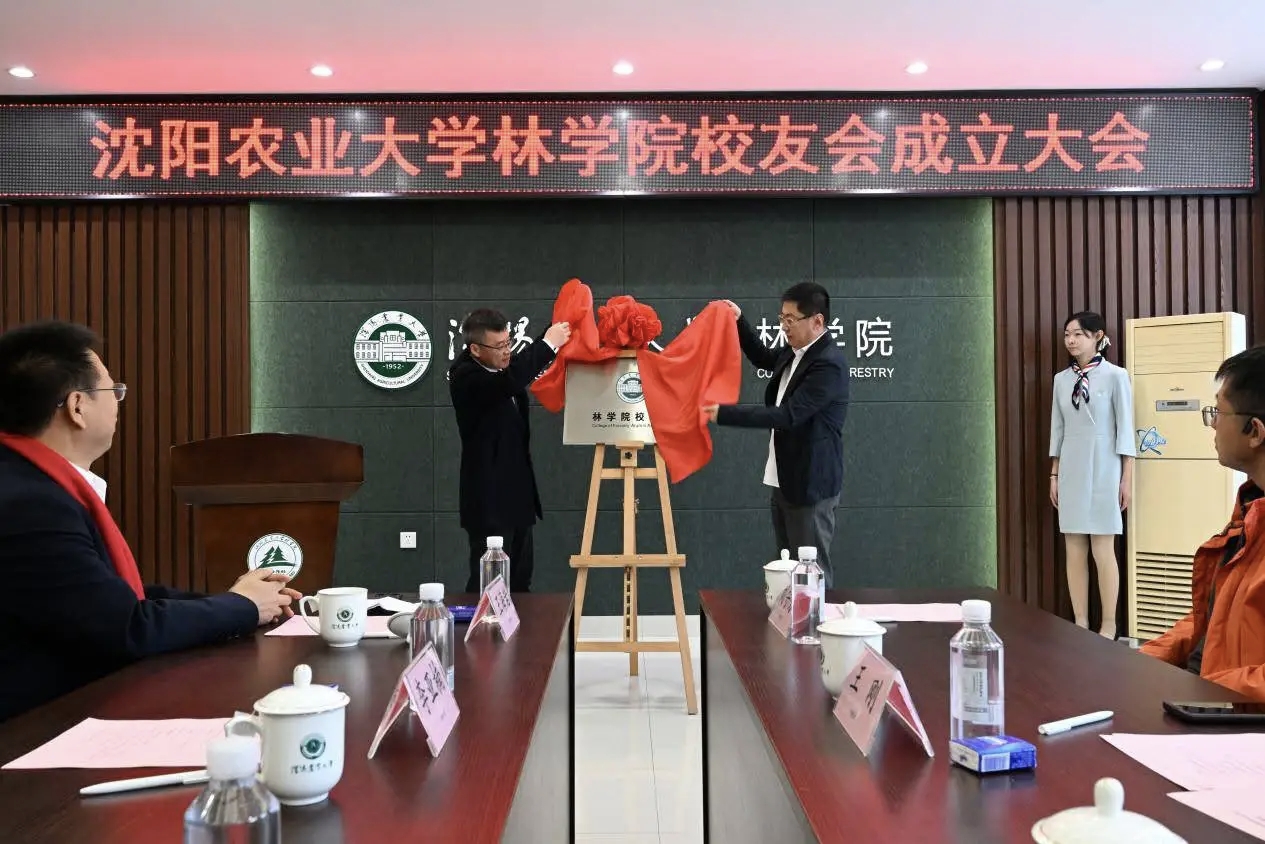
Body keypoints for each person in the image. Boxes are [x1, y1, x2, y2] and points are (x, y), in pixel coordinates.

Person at [0, 321, 300, 722]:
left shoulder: (30, 483)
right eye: (113, 390)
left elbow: (120, 597)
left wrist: (241, 601)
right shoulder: (31, 503)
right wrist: (241, 606)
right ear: (77, 407)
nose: (118, 401)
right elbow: (126, 627)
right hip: (33, 733)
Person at [1139, 345, 1265, 700]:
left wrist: (1205, 692)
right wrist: (1135, 664)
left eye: (1218, 412)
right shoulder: (1250, 512)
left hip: (1231, 720)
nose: (1211, 424)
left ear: (1255, 431)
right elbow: (1211, 623)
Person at [703, 283, 849, 586]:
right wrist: (739, 321)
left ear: (817, 321)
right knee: (787, 569)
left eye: (791, 319)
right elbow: (763, 358)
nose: (784, 326)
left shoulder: (828, 364)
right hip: (785, 478)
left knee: (811, 573)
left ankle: (818, 618)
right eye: (782, 318)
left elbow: (788, 416)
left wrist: (724, 413)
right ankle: (791, 619)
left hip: (810, 484)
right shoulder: (795, 352)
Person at [449, 309, 571, 594]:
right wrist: (548, 344)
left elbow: (517, 366)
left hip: (518, 497)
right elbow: (509, 382)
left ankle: (520, 625)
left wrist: (556, 328)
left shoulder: (501, 367)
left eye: (508, 342)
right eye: (499, 346)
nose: (507, 351)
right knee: (490, 584)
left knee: (520, 582)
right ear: (475, 349)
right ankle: (479, 624)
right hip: (489, 501)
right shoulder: (465, 377)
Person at [1049, 311, 1136, 639]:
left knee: (1103, 547)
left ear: (1098, 336)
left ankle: (1109, 624)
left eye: (1078, 334)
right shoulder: (1061, 380)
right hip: (1071, 466)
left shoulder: (1116, 376)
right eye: (1067, 334)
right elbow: (1057, 429)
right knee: (1074, 547)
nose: (1071, 340)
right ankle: (1081, 622)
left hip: (1105, 465)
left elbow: (1125, 429)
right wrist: (1054, 475)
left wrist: (1126, 478)